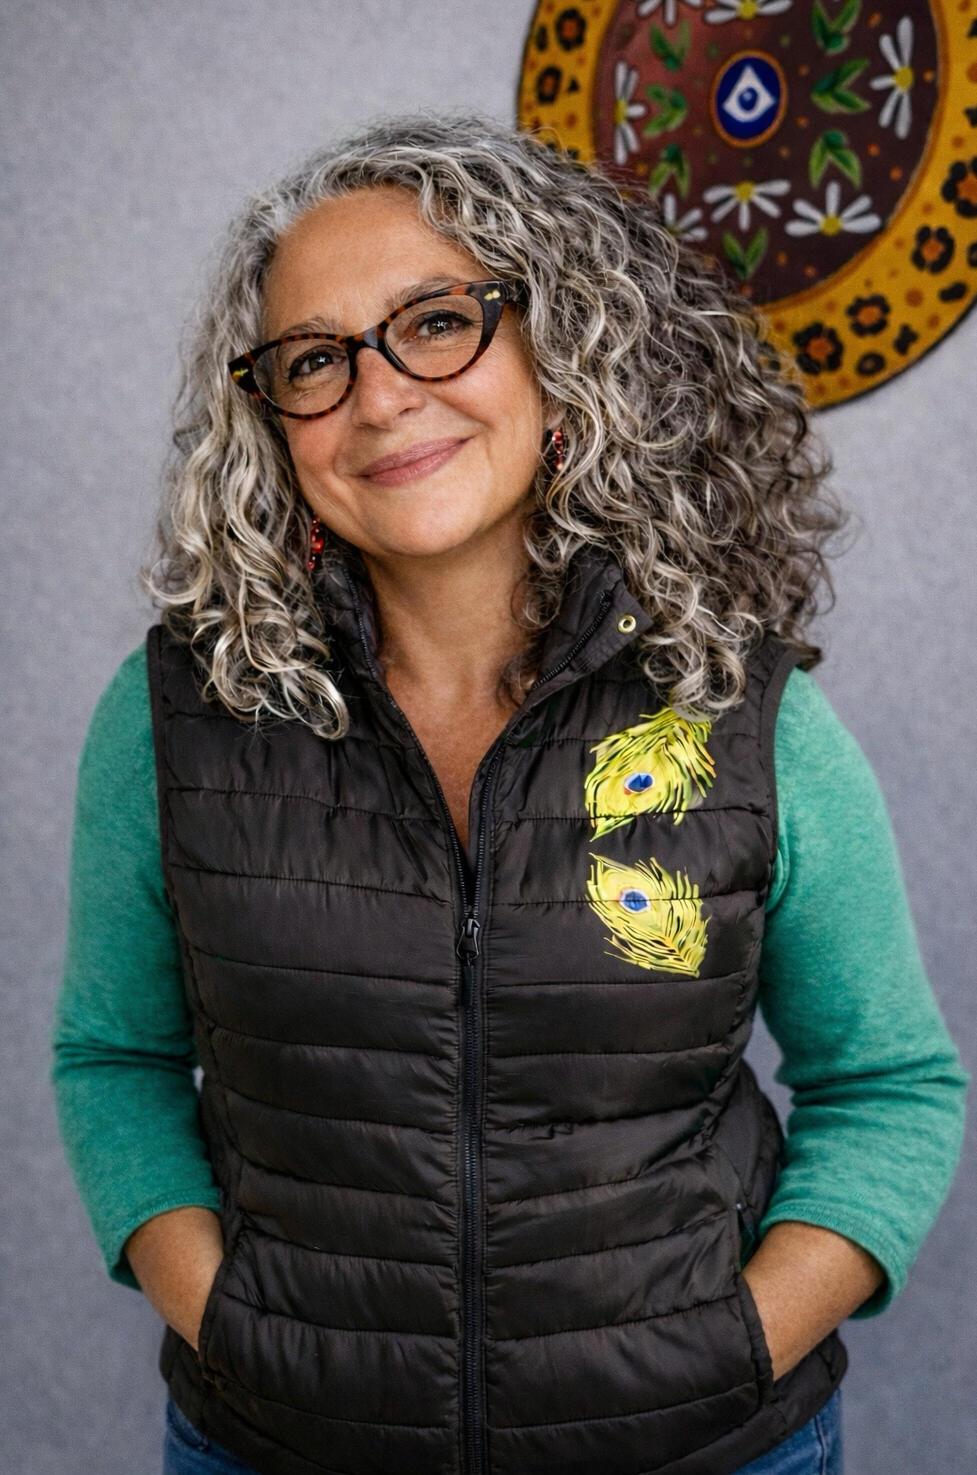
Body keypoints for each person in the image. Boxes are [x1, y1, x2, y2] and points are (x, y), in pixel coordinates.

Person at [51, 113, 967, 1475]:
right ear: (271, 423)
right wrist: (238, 1331)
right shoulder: (180, 715)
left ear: (563, 353)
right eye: (315, 360)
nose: (378, 398)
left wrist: (727, 1351)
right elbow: (115, 1063)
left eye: (437, 323)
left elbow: (889, 1084)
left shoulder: (740, 713)